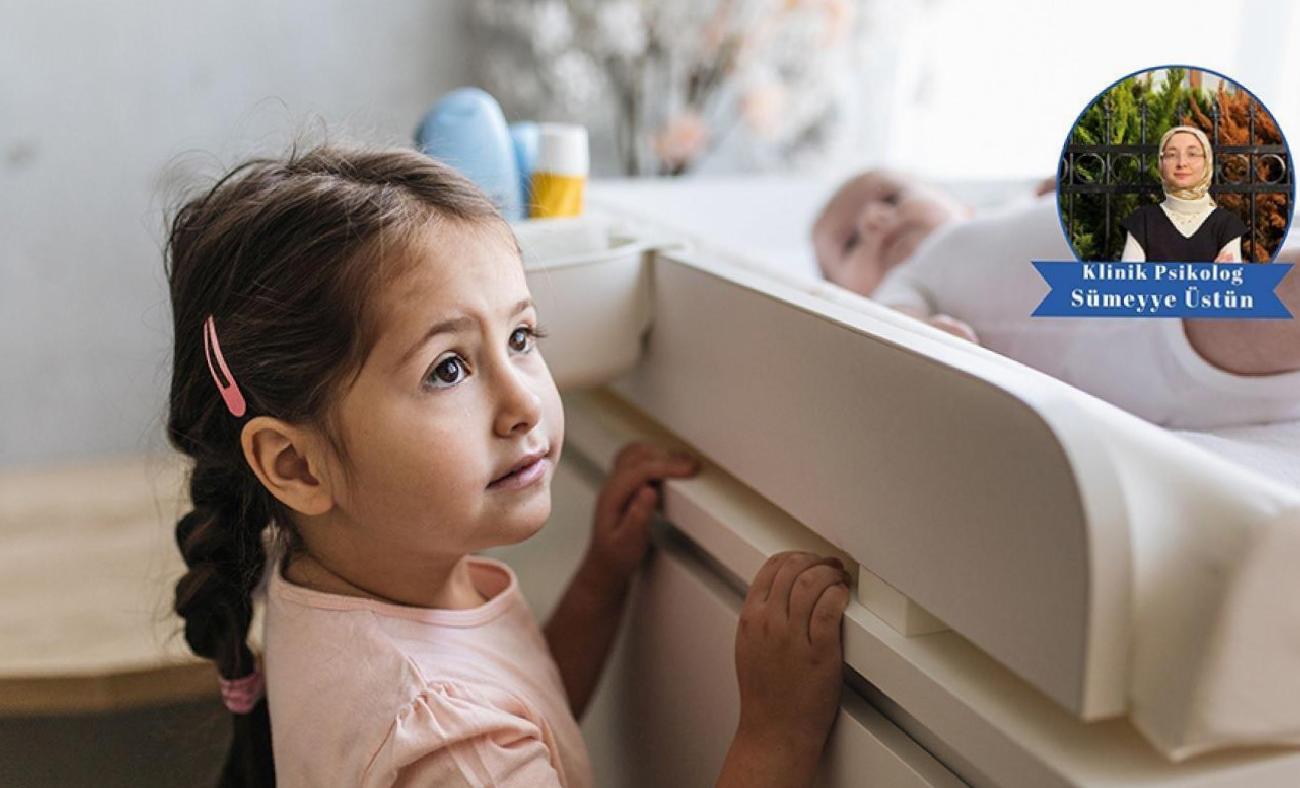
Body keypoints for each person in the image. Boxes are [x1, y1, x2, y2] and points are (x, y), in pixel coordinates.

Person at [165, 145, 853, 786]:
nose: (523, 402)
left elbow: (525, 717)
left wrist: (600, 583)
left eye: (521, 336)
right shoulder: (446, 746)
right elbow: (480, 739)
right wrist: (777, 735)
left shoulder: (345, 580)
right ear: (298, 466)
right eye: (449, 369)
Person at [812, 169, 1300, 430]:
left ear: (958, 202)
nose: (875, 219)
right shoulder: (907, 280)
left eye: (893, 196)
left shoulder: (993, 218)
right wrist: (927, 340)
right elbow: (897, 334)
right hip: (1150, 326)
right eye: (850, 242)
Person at [1120, 125, 1247, 263]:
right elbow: (1131, 281)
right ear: (1161, 163)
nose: (1181, 163)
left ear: (1207, 162)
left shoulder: (1226, 224)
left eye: (1192, 154)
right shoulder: (1142, 222)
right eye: (1172, 155)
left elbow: (1228, 281)